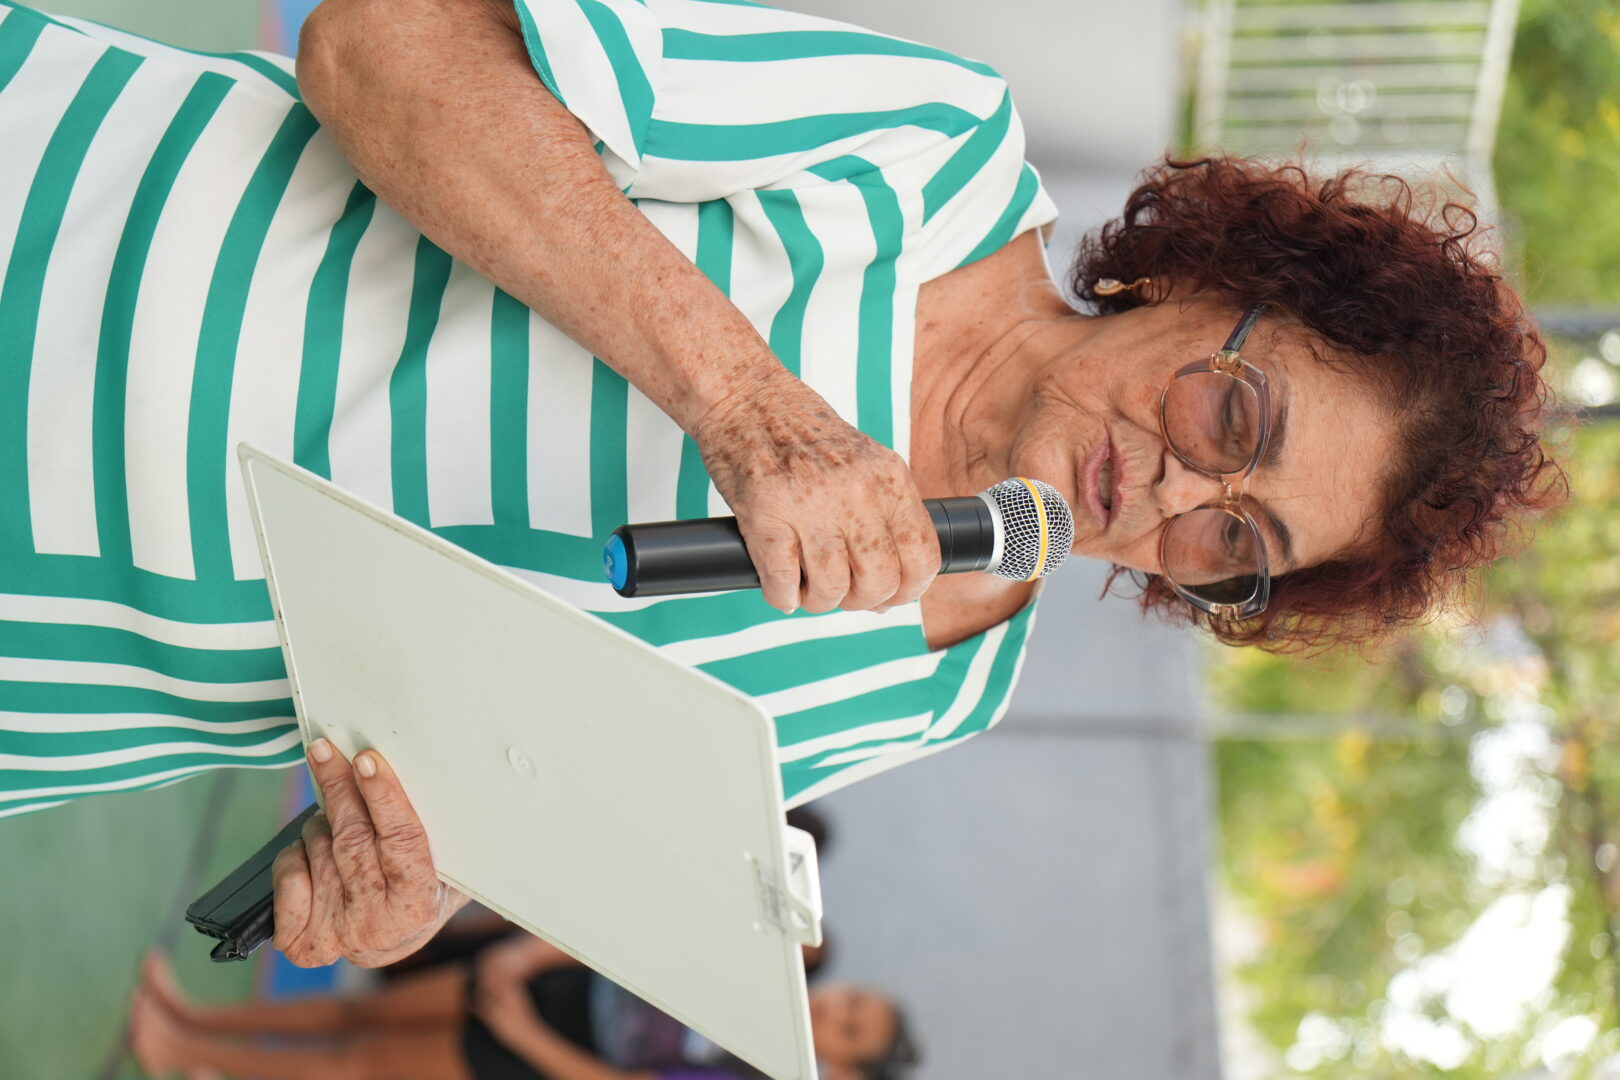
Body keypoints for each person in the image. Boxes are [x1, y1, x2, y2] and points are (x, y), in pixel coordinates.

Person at [0, 0, 1559, 964]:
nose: (1168, 495)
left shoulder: (943, 689)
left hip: (48, 679)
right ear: (1210, 276)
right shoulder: (926, 160)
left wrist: (409, 889)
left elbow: (498, 783)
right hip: (44, 233)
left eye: (1239, 540)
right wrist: (748, 408)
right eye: (1234, 413)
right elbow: (381, 42)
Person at [127, 939, 915, 1080]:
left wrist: (523, 1033)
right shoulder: (756, 975)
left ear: (841, 1070)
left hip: (540, 1055)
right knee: (357, 1015)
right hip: (556, 988)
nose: (830, 1008)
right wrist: (526, 956)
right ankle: (194, 1021)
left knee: (354, 1063)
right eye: (850, 1000)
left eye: (846, 1027)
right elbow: (637, 946)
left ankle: (180, 1055)